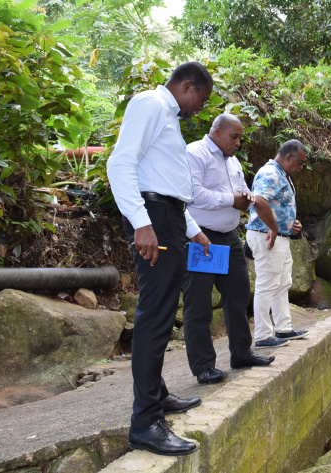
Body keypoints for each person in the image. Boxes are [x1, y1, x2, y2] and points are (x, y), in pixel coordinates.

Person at [107, 61, 213, 456]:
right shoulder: (150, 104)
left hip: (167, 217)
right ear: (188, 86)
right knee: (154, 315)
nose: (197, 110)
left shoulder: (165, 115)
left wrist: (193, 230)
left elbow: (164, 184)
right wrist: (141, 223)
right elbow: (120, 164)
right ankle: (146, 422)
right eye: (199, 101)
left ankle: (159, 394)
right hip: (153, 220)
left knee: (165, 312)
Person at [182, 114, 275, 383]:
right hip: (201, 237)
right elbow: (192, 193)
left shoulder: (233, 161)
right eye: (234, 136)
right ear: (217, 131)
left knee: (238, 294)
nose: (238, 142)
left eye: (240, 138)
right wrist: (230, 200)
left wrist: (245, 198)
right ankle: (203, 366)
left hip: (229, 237)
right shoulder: (194, 153)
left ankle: (241, 353)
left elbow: (242, 192)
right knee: (198, 303)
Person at [245, 139, 309, 348]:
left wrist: (291, 223)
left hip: (279, 236)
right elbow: (259, 200)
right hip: (267, 236)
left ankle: (283, 329)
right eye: (299, 162)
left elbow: (275, 205)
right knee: (267, 285)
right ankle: (263, 335)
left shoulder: (282, 174)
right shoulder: (271, 173)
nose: (301, 168)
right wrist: (274, 227)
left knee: (282, 283)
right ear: (288, 157)